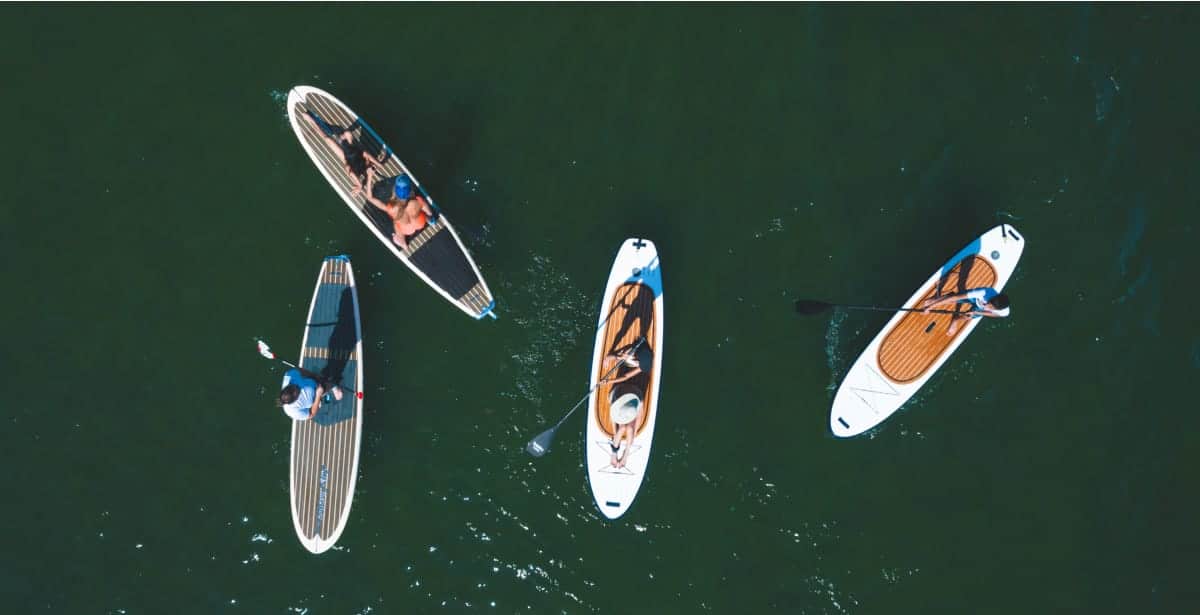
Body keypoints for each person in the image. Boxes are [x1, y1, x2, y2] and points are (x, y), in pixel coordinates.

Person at [300, 109, 385, 195]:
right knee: (343, 134)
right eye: (372, 166)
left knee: (327, 139)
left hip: (347, 157)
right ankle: (340, 136)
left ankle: (310, 120)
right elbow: (366, 154)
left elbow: (350, 171)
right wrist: (378, 164)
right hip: (352, 150)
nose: (372, 166)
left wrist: (359, 185)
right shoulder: (365, 158)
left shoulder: (353, 169)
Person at [363, 168, 434, 251]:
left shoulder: (391, 208)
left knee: (396, 223)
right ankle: (431, 221)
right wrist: (429, 216)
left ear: (395, 190)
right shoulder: (417, 200)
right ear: (410, 189)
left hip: (407, 230)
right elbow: (429, 212)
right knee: (423, 212)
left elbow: (369, 197)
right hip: (420, 223)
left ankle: (403, 244)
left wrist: (370, 176)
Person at [919, 288, 1010, 336]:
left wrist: (976, 313)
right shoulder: (983, 292)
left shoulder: (1004, 312)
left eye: (991, 307)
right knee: (953, 299)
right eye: (989, 303)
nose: (987, 306)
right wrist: (930, 307)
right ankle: (935, 300)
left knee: (968, 317)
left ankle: (955, 320)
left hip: (979, 309)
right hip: (974, 298)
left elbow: (995, 315)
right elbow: (956, 298)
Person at [278, 366, 343, 421]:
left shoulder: (290, 376)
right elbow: (311, 414)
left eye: (294, 386)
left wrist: (313, 375)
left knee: (326, 379)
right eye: (298, 391)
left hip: (313, 380)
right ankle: (328, 391)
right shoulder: (292, 411)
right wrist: (318, 395)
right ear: (295, 399)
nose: (298, 387)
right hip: (316, 394)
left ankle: (332, 386)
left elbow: (299, 370)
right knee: (331, 387)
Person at [608, 392, 642, 469]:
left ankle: (626, 453)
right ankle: (614, 453)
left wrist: (633, 435)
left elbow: (638, 419)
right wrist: (615, 434)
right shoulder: (616, 400)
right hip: (619, 395)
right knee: (622, 428)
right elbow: (613, 419)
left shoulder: (639, 402)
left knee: (630, 428)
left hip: (632, 398)